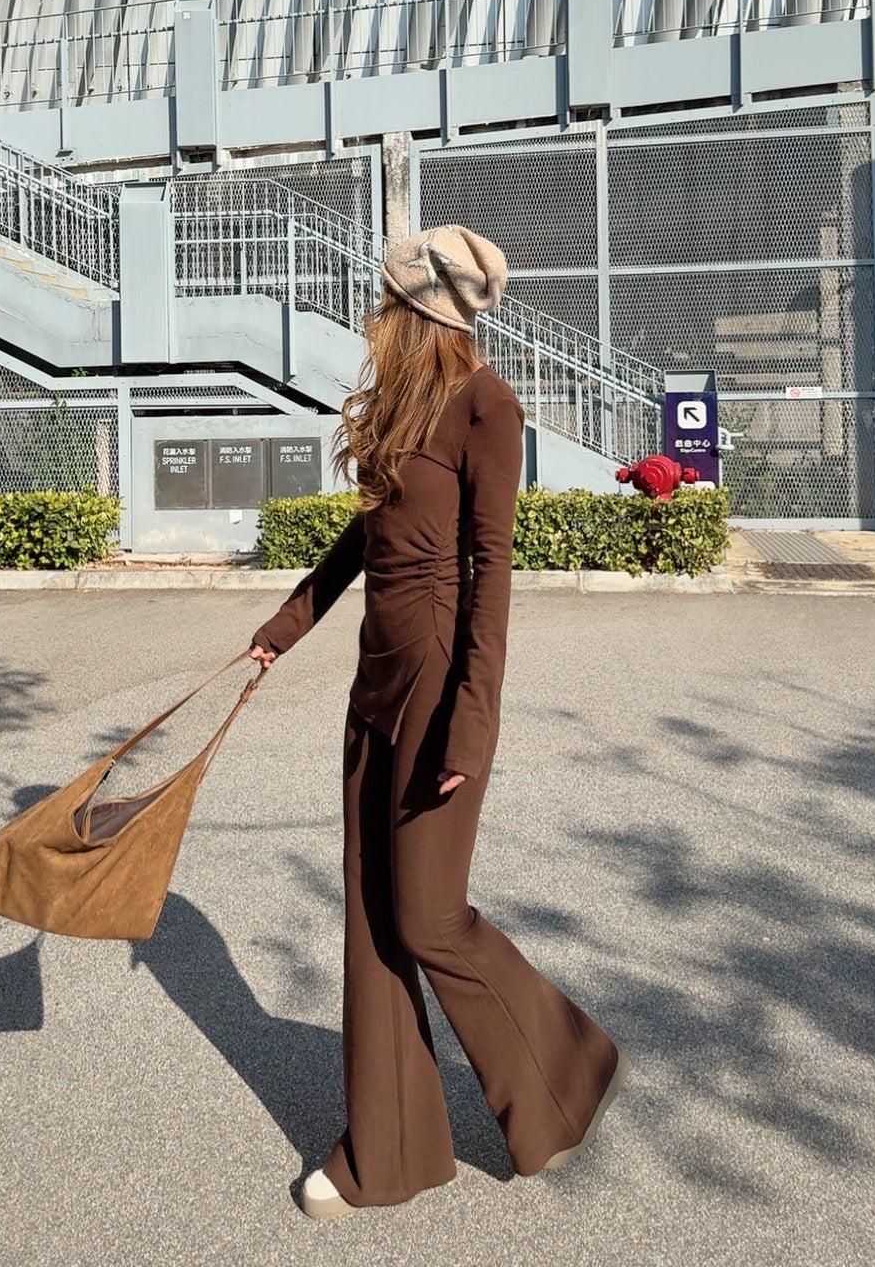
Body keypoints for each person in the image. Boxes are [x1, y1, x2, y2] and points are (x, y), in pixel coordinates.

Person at [249, 224, 625, 1218]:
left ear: (415, 312)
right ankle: (391, 1153)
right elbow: (370, 531)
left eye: (384, 304)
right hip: (376, 677)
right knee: (373, 912)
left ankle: (568, 1066)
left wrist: (473, 721)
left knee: (427, 915)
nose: (371, 319)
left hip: (438, 683)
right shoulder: (403, 401)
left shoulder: (487, 406)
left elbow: (491, 570)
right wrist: (286, 625)